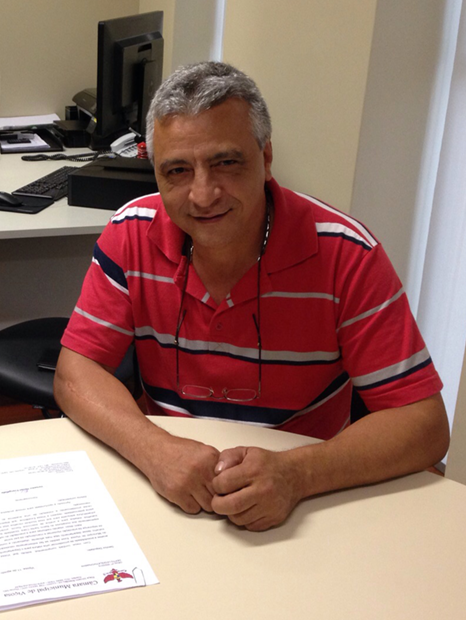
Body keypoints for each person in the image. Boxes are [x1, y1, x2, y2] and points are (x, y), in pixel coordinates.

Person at [54, 62, 450, 532]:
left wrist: (298, 474)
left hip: (305, 503)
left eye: (226, 163)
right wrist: (153, 447)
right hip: (169, 487)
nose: (202, 195)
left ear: (265, 158)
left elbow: (424, 424)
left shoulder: (346, 253)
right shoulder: (130, 232)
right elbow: (75, 372)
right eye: (177, 170)